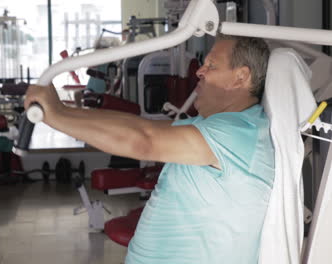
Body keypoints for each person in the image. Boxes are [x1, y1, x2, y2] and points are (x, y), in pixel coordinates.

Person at [24, 34, 273, 264]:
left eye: (212, 65)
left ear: (241, 77)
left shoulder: (238, 132)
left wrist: (55, 116)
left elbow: (144, 140)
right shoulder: (214, 124)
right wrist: (63, 112)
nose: (199, 71)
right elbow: (143, 127)